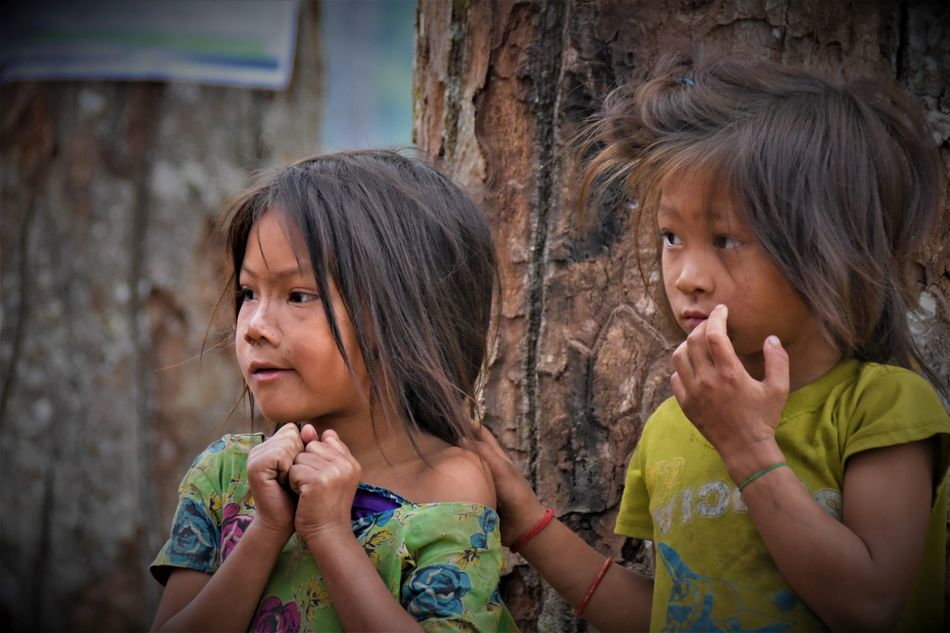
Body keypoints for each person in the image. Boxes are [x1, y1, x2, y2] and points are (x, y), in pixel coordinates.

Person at [473, 50, 950, 632]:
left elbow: (870, 606)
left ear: (829, 250)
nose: (687, 276)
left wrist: (745, 445)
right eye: (672, 237)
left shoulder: (882, 407)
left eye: (725, 239)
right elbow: (669, 614)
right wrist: (526, 520)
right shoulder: (674, 426)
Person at [149, 150, 517, 632]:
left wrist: (328, 532)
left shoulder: (445, 484)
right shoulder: (228, 476)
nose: (255, 327)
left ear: (405, 313)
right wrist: (266, 530)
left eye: (298, 296)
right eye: (248, 293)